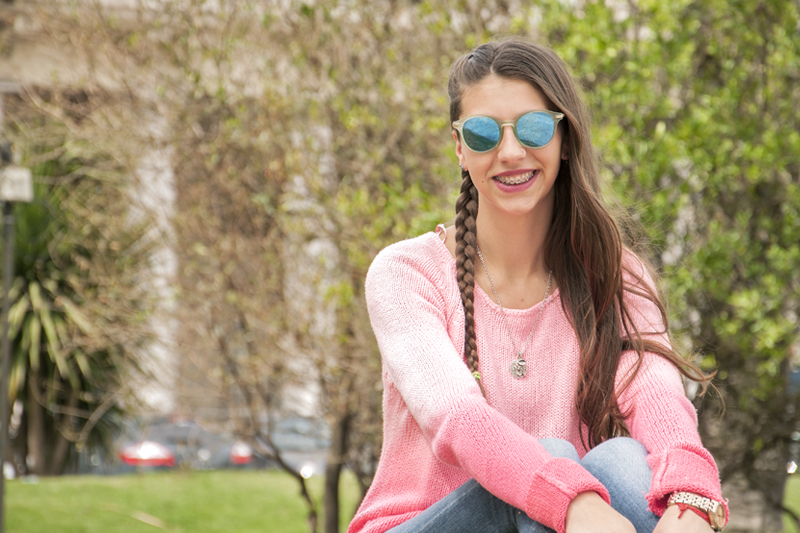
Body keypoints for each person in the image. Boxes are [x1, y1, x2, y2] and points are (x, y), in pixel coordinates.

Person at [347, 39, 728, 533]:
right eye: (484, 134)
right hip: (422, 523)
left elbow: (657, 396)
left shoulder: (614, 274)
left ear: (564, 139)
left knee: (622, 461)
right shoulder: (407, 273)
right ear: (460, 148)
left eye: (532, 128)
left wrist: (692, 500)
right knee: (551, 460)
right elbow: (456, 418)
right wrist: (571, 501)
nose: (510, 152)